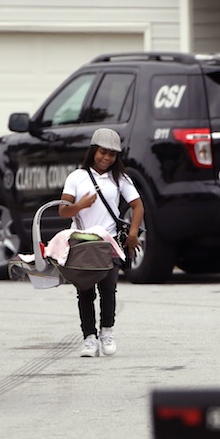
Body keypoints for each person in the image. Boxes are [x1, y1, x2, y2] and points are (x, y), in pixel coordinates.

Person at [58, 128, 144, 357]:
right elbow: (63, 210)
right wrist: (80, 206)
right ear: (93, 150)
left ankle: (107, 332)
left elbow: (138, 206)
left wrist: (133, 233)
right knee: (85, 292)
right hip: (82, 242)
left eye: (112, 155)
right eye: (103, 153)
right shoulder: (76, 177)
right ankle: (89, 338)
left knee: (108, 289)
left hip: (109, 242)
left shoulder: (120, 178)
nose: (106, 158)